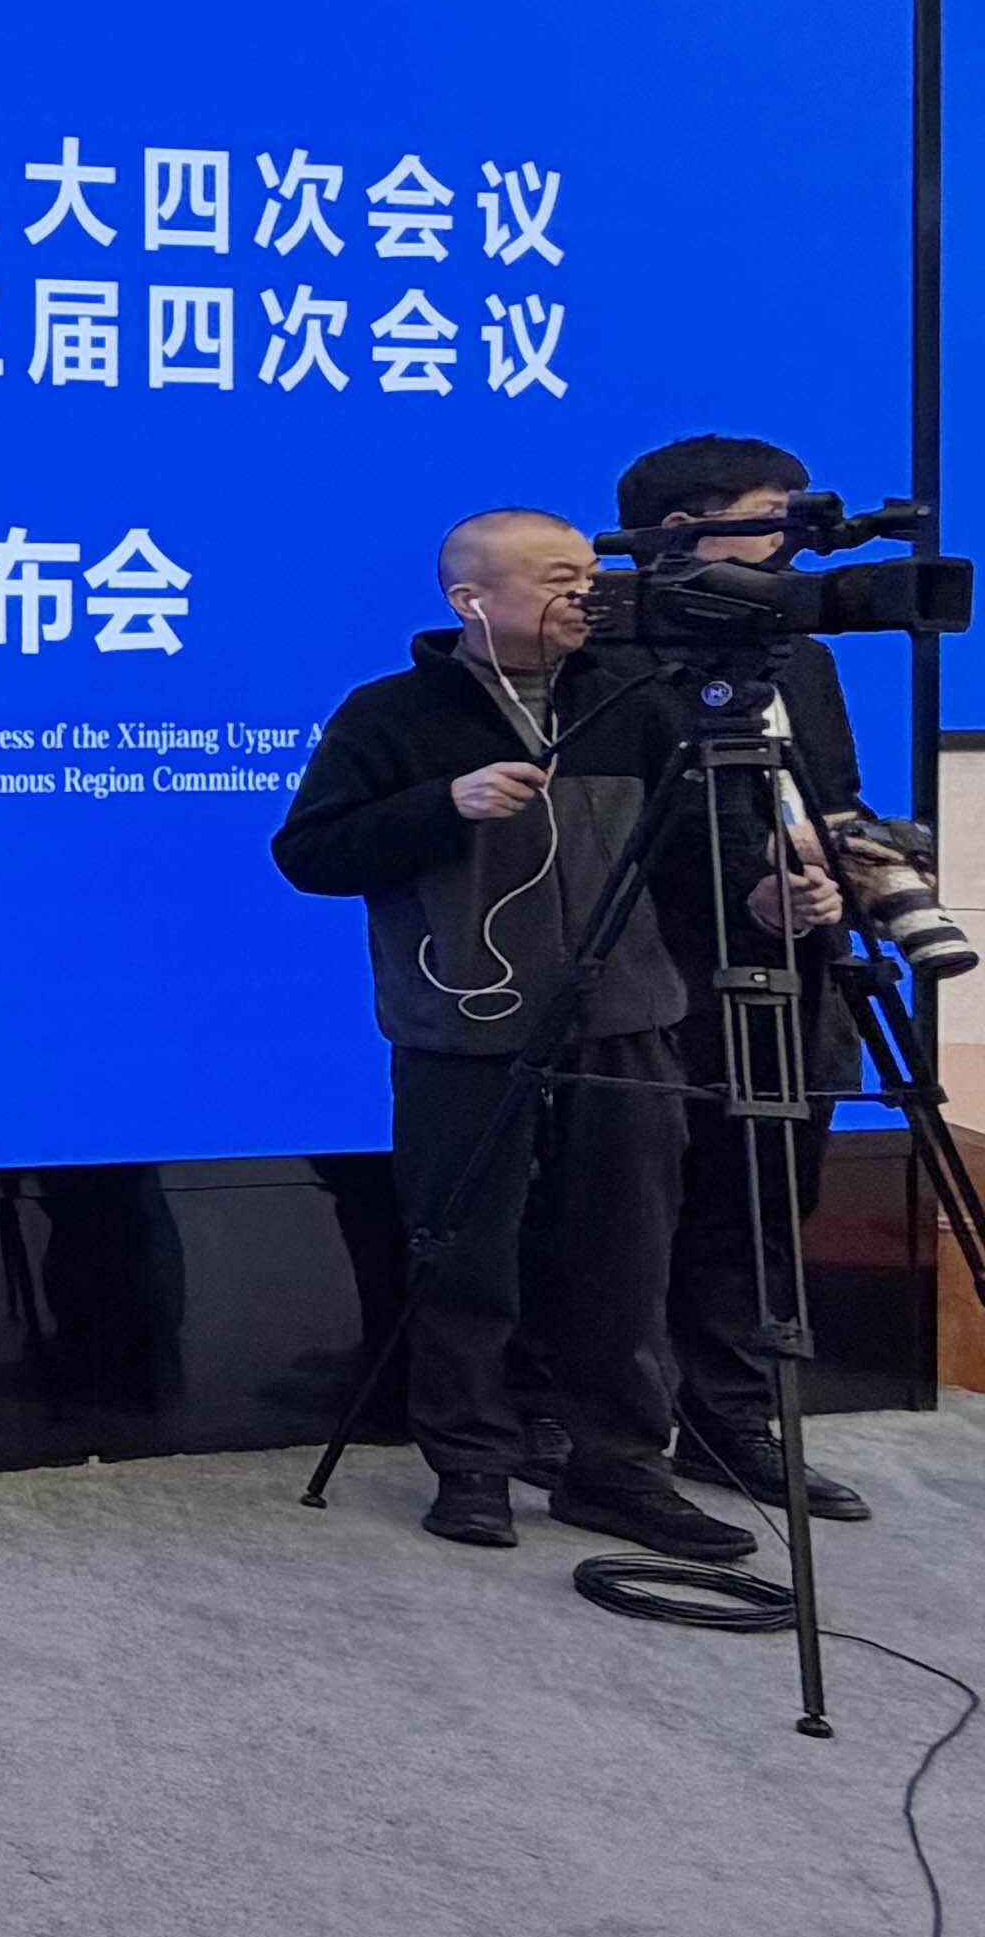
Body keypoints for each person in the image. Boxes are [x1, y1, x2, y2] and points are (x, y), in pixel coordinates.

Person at [273, 511, 760, 1561]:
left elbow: (696, 855)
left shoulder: (638, 700)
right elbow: (309, 854)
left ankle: (619, 1471)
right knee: (463, 1257)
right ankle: (472, 1466)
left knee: (626, 1255)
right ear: (470, 601)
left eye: (588, 574)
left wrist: (769, 895)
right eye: (554, 578)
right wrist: (441, 804)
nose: (584, 594)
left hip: (627, 1022)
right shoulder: (390, 713)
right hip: (463, 1024)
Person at [609, 435, 873, 1525]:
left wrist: (834, 878)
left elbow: (833, 794)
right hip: (658, 974)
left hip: (796, 972)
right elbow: (613, 824)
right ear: (685, 529)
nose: (792, 544)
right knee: (641, 1210)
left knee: (765, 1201)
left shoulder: (798, 653)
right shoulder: (611, 650)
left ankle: (733, 1421)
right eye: (773, 519)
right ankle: (608, 1433)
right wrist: (742, 884)